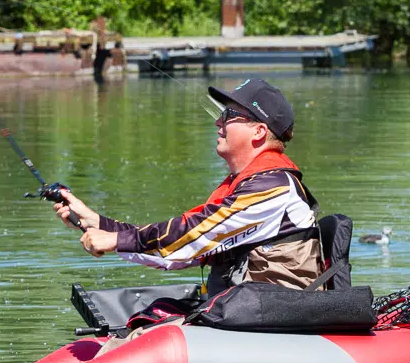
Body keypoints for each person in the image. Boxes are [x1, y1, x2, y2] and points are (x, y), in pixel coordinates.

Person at [55, 79, 323, 336]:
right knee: (150, 317)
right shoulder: (246, 186)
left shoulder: (272, 186)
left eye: (230, 115)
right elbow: (181, 250)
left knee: (152, 330)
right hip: (248, 312)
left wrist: (116, 240)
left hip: (279, 319)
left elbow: (192, 235)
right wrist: (99, 224)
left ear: (259, 131)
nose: (219, 122)